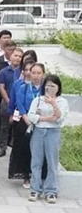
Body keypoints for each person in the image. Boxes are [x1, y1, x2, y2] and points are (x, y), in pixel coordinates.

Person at [28, 74, 69, 203]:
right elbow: (32, 116)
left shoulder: (62, 101)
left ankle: (51, 190)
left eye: (53, 85)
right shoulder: (38, 100)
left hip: (53, 133)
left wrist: (53, 104)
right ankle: (35, 189)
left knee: (52, 162)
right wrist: (47, 118)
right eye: (47, 85)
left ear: (58, 87)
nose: (50, 88)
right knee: (36, 161)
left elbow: (59, 118)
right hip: (39, 131)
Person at [9, 62, 43, 185]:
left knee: (39, 149)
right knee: (25, 149)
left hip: (41, 121)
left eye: (39, 73)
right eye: (33, 72)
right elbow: (20, 104)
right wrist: (27, 119)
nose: (35, 76)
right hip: (25, 120)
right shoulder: (23, 87)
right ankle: (26, 174)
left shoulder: (45, 89)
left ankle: (39, 175)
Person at [0, 47, 23, 157]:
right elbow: (1, 86)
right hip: (6, 102)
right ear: (11, 56)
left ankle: (15, 147)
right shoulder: (4, 71)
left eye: (20, 56)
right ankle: (3, 147)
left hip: (20, 104)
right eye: (16, 55)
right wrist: (7, 100)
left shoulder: (23, 72)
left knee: (17, 127)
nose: (18, 58)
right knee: (4, 126)